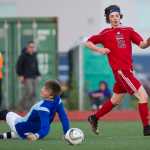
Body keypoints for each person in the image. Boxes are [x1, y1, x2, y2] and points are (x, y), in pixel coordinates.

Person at [86, 5, 150, 136]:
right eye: (111, 16)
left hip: (127, 72)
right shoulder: (105, 33)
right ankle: (147, 128)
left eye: (116, 15)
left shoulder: (129, 30)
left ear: (120, 16)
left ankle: (94, 117)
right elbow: (88, 42)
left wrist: (148, 41)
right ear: (108, 19)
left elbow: (143, 45)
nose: (115, 18)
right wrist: (100, 49)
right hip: (122, 72)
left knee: (115, 100)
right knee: (143, 96)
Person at [0, 80, 70, 141]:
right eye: (44, 87)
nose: (42, 89)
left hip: (21, 127)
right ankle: (4, 136)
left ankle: (19, 133)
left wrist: (36, 136)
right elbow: (64, 118)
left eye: (46, 90)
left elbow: (46, 127)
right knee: (17, 133)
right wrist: (66, 133)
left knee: (6, 113)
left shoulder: (43, 107)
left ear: (51, 96)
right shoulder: (57, 100)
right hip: (34, 132)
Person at [16, 41, 40, 111]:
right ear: (27, 47)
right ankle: (21, 106)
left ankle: (32, 109)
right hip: (27, 77)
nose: (32, 48)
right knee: (29, 92)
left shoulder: (34, 55)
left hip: (34, 76)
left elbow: (36, 66)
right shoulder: (23, 55)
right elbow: (18, 66)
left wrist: (38, 74)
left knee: (34, 93)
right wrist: (20, 75)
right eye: (30, 47)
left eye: (33, 47)